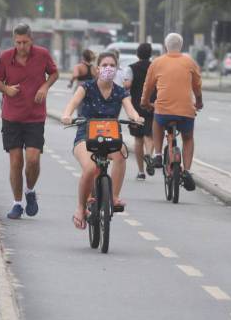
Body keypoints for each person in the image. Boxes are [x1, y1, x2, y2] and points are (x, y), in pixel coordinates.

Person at [60, 52, 145, 227]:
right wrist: (67, 115)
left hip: (111, 136)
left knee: (121, 155)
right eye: (104, 65)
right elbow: (73, 103)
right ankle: (80, 207)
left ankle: (113, 196)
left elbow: (130, 110)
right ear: (97, 69)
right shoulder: (87, 87)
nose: (108, 68)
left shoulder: (120, 92)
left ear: (117, 69)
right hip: (86, 136)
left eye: (112, 66)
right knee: (90, 168)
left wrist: (137, 118)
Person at [0, 24, 58, 220]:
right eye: (18, 43)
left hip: (35, 116)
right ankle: (17, 203)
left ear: (32, 40)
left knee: (32, 159)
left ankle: (30, 191)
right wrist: (7, 90)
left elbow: (54, 73)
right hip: (11, 116)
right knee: (15, 162)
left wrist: (45, 87)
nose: (22, 47)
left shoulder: (42, 54)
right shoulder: (5, 57)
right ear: (14, 41)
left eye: (25, 43)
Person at [142, 33, 203, 192]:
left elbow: (148, 86)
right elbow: (197, 85)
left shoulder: (157, 62)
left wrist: (145, 102)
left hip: (163, 110)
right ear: (181, 46)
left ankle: (158, 154)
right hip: (186, 110)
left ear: (165, 45)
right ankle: (187, 171)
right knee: (188, 138)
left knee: (157, 122)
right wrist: (199, 101)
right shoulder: (190, 62)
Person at [128, 42, 155, 181]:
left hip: (136, 107)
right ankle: (149, 154)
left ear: (137, 54)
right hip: (152, 105)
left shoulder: (132, 68)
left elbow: (127, 85)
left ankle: (141, 172)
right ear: (150, 54)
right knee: (149, 136)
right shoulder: (155, 67)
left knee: (138, 139)